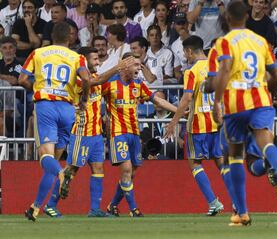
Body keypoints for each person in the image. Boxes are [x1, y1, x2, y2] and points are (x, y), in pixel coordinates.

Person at [212, 0, 277, 226]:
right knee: (265, 141)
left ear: (227, 19)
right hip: (261, 99)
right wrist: (271, 92)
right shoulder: (261, 41)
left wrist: (217, 101)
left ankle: (243, 213)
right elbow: (276, 74)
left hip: (236, 104)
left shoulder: (224, 42)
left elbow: (225, 70)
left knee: (235, 155)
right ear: (247, 16)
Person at [41, 47, 134, 218]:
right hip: (81, 133)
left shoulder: (96, 79)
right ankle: (50, 204)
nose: (98, 62)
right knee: (71, 171)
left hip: (96, 135)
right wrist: (118, 67)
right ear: (83, 61)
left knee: (98, 169)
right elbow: (98, 81)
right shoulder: (77, 80)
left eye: (98, 59)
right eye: (94, 59)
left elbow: (107, 85)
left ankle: (94, 209)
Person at [19, 22, 91, 222]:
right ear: (70, 37)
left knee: (45, 157)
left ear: (51, 36)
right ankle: (34, 208)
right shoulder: (78, 57)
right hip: (68, 110)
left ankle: (62, 174)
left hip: (46, 106)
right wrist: (84, 100)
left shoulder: (39, 53)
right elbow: (87, 79)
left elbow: (22, 80)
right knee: (51, 162)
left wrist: (37, 88)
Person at [103, 52, 177, 217]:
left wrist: (179, 111)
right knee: (127, 170)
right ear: (125, 65)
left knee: (131, 173)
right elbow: (93, 96)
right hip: (118, 133)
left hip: (134, 134)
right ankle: (133, 209)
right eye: (136, 65)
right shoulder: (110, 84)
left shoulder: (138, 85)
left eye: (139, 65)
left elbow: (158, 100)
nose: (139, 68)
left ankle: (112, 206)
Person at [165, 35, 226, 216]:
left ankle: (213, 202)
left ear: (190, 51)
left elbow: (187, 98)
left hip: (198, 124)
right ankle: (238, 202)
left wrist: (173, 122)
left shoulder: (191, 71)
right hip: (216, 123)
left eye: (185, 52)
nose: (185, 56)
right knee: (221, 162)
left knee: (195, 163)